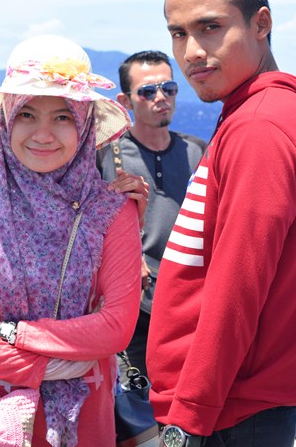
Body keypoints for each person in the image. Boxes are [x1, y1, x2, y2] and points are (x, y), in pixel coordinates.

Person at [146, 0, 296, 446]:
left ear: (262, 24)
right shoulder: (267, 110)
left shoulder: (259, 126)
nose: (192, 50)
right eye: (178, 33)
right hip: (243, 404)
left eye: (210, 27)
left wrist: (189, 416)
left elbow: (237, 287)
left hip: (228, 412)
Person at [0, 34, 142, 447]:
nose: (43, 134)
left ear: (86, 124)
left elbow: (115, 329)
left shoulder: (113, 212)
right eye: (26, 115)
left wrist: (7, 334)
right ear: (5, 120)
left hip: (87, 423)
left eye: (62, 116)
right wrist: (58, 365)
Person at [97, 49, 206, 378]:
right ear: (125, 101)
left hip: (190, 303)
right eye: (147, 91)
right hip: (133, 305)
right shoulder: (104, 157)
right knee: (137, 405)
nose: (161, 98)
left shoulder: (200, 152)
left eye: (168, 89)